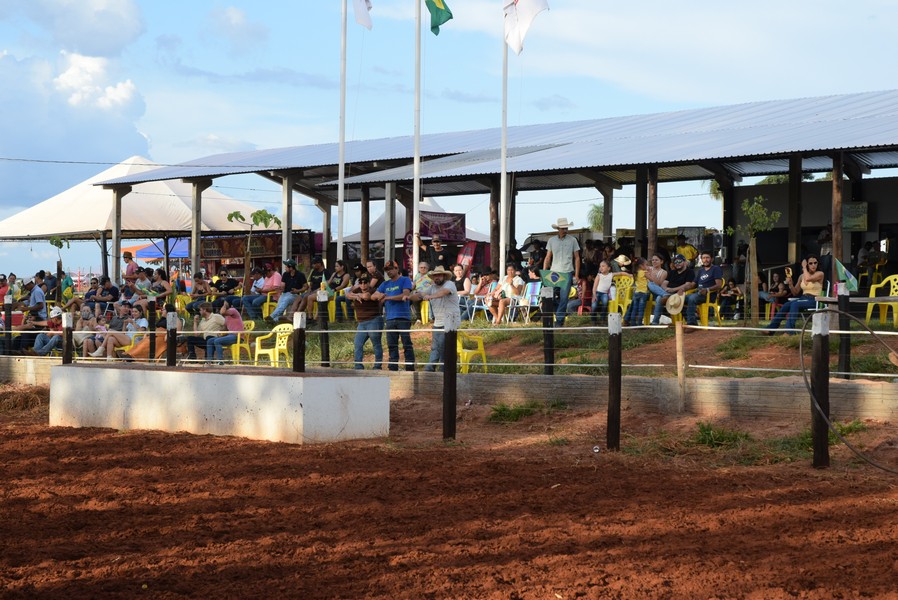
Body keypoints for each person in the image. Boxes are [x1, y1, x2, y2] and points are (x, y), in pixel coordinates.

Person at [413, 265, 459, 372]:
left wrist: (430, 296)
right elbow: (423, 293)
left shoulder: (450, 284)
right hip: (438, 322)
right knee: (435, 347)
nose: (437, 277)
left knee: (443, 348)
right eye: (435, 276)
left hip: (450, 321)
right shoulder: (432, 287)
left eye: (439, 275)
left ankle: (442, 372)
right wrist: (412, 295)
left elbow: (443, 292)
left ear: (444, 276)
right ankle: (430, 369)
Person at [371, 260, 415, 371]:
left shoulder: (405, 280)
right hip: (390, 318)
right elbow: (373, 296)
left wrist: (387, 297)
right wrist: (379, 295)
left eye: (391, 269)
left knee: (407, 344)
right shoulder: (385, 283)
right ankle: (393, 367)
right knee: (392, 345)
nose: (388, 272)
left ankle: (410, 368)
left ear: (397, 269)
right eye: (386, 270)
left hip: (403, 317)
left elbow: (405, 294)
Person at [765, 255, 824, 334]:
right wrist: (790, 284)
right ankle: (771, 329)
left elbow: (808, 278)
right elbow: (795, 292)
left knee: (795, 304)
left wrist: (804, 267)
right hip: (803, 298)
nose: (813, 265)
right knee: (786, 304)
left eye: (815, 263)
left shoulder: (820, 274)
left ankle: (789, 332)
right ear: (807, 264)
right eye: (810, 263)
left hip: (815, 299)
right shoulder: (801, 276)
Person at [543, 217, 581, 327]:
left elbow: (577, 258)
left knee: (564, 298)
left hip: (567, 272)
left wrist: (577, 274)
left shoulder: (573, 240)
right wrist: (544, 273)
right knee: (549, 296)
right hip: (554, 272)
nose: (565, 230)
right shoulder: (551, 240)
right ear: (558, 229)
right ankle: (559, 314)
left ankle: (559, 320)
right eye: (563, 228)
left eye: (566, 228)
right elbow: (547, 257)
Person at [345, 275, 383, 370]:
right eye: (360, 283)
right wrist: (356, 293)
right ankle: (358, 365)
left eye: (365, 282)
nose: (363, 285)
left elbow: (366, 296)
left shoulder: (373, 290)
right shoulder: (356, 291)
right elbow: (347, 294)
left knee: (376, 343)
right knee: (358, 343)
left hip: (373, 320)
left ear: (368, 283)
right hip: (361, 323)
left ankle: (378, 365)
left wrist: (357, 295)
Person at [650, 254, 696, 325]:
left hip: (679, 294)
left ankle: (655, 322)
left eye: (679, 261)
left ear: (684, 262)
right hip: (668, 292)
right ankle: (655, 322)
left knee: (659, 298)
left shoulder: (690, 272)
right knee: (654, 290)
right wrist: (666, 289)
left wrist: (673, 289)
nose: (677, 264)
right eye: (675, 262)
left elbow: (688, 285)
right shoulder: (672, 272)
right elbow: (663, 284)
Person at [685, 250, 723, 327]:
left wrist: (707, 290)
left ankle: (691, 324)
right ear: (701, 259)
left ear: (712, 259)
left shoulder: (716, 269)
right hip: (698, 294)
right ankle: (691, 320)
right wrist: (683, 289)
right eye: (703, 258)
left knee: (692, 298)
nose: (705, 260)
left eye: (707, 258)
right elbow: (693, 284)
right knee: (681, 299)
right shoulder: (700, 271)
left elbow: (719, 285)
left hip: (709, 295)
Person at [624, 258, 649, 326]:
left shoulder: (636, 272)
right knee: (641, 309)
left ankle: (633, 323)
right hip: (643, 293)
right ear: (641, 266)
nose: (647, 266)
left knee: (634, 308)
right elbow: (651, 278)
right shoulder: (644, 272)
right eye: (646, 265)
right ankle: (640, 323)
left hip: (636, 292)